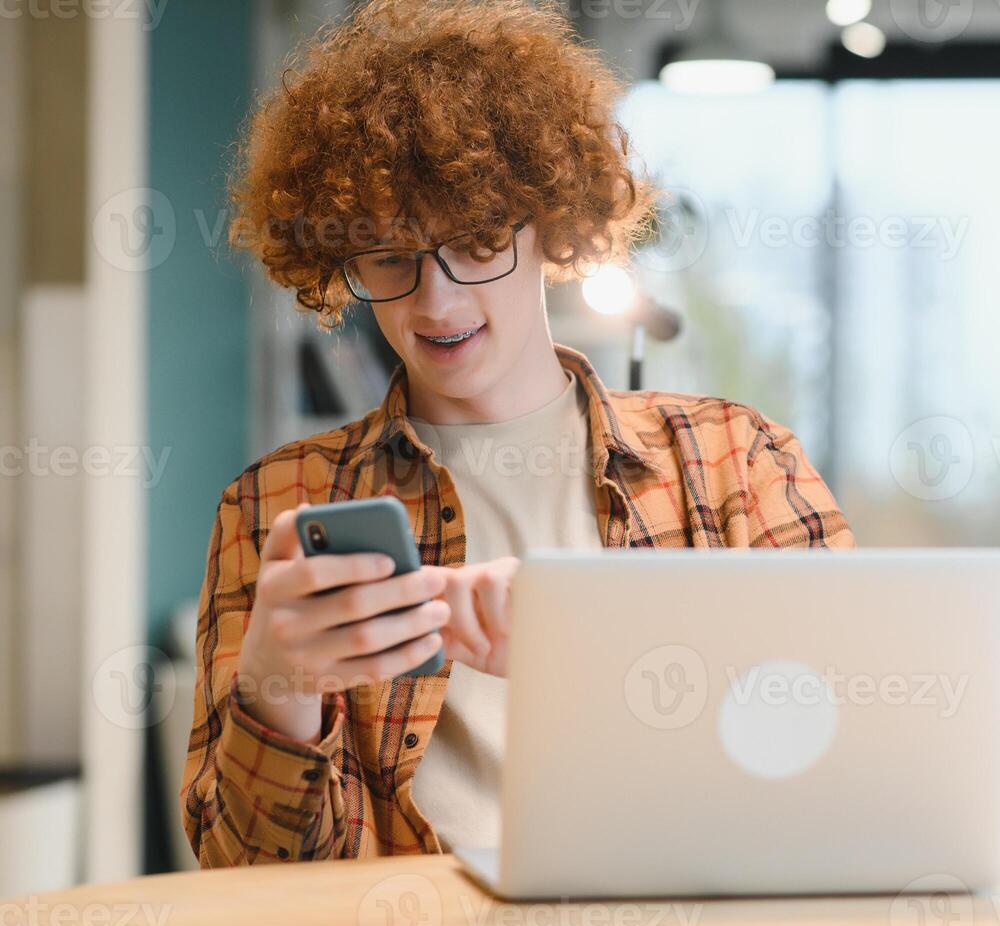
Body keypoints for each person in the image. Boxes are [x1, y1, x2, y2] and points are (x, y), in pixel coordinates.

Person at [180, 0, 853, 867]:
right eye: (389, 258)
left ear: (551, 225)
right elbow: (248, 879)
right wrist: (279, 689)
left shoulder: (733, 463)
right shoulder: (275, 507)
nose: (437, 301)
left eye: (474, 242)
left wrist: (609, 666)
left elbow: (843, 743)